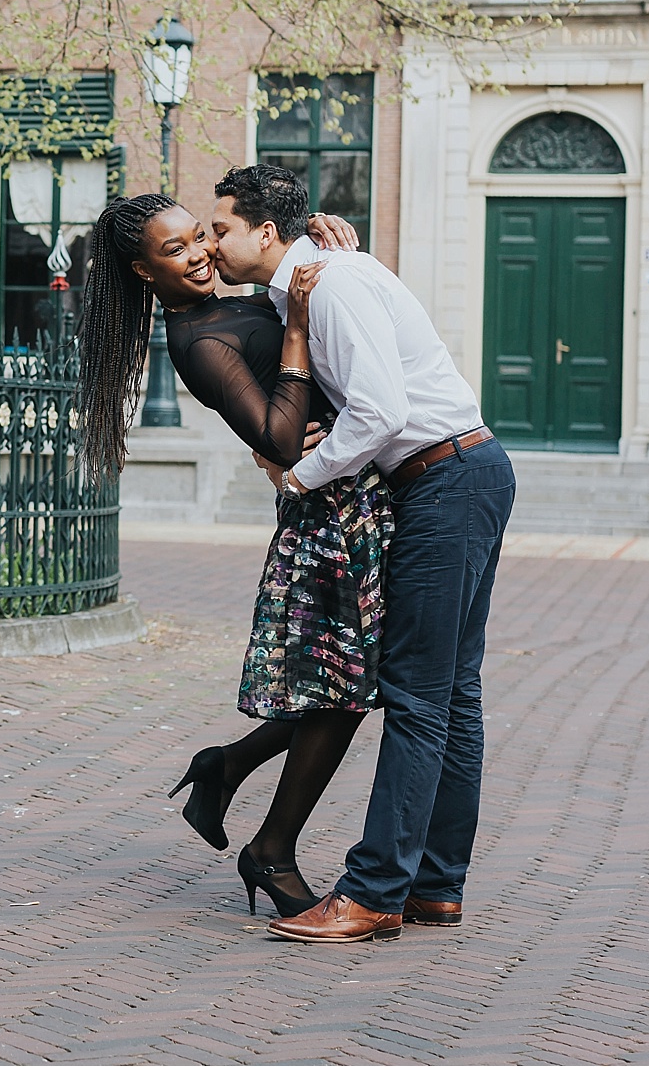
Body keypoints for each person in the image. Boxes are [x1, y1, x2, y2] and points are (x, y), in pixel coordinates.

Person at [208, 164, 516, 944]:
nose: (211, 243)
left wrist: (298, 478)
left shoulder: (332, 283)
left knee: (417, 697)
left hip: (443, 480)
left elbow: (380, 411)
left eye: (220, 228)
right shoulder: (313, 284)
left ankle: (375, 892)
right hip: (459, 474)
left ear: (266, 233)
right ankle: (435, 887)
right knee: (451, 696)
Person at [74, 192, 389, 919]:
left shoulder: (236, 298)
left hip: (353, 497)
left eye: (199, 237)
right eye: (176, 250)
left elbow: (276, 261)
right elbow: (279, 437)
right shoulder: (197, 342)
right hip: (325, 518)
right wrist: (299, 331)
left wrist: (320, 234)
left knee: (342, 690)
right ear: (142, 271)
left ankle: (227, 768)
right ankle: (270, 850)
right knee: (340, 694)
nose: (200, 253)